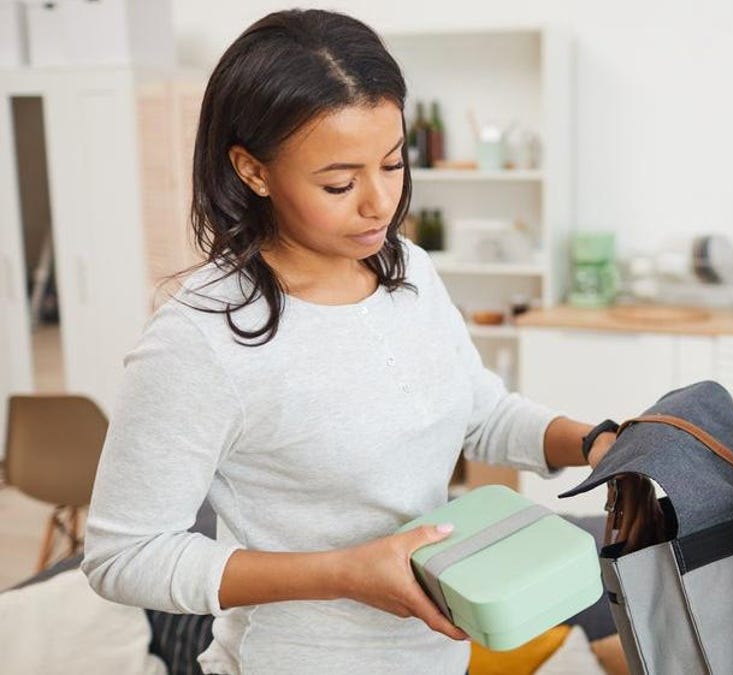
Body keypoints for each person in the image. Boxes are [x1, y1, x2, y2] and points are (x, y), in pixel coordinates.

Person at [82, 9, 614, 674]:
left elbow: (476, 411)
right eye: (339, 182)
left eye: (392, 163)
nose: (379, 203)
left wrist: (595, 442)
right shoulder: (198, 340)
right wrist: (342, 572)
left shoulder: (408, 270)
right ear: (252, 170)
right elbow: (123, 556)